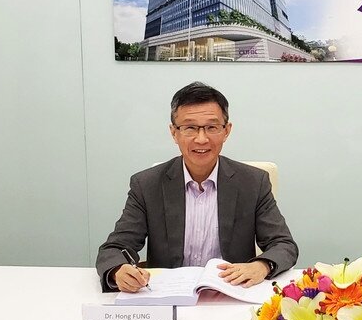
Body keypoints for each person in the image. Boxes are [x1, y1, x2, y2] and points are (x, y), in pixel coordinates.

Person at [95, 82, 298, 292]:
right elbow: (114, 248)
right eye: (190, 128)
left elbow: (284, 245)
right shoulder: (147, 185)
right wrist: (118, 270)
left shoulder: (253, 182)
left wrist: (261, 266)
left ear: (227, 131)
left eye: (212, 127)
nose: (201, 139)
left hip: (231, 294)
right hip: (169, 296)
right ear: (174, 132)